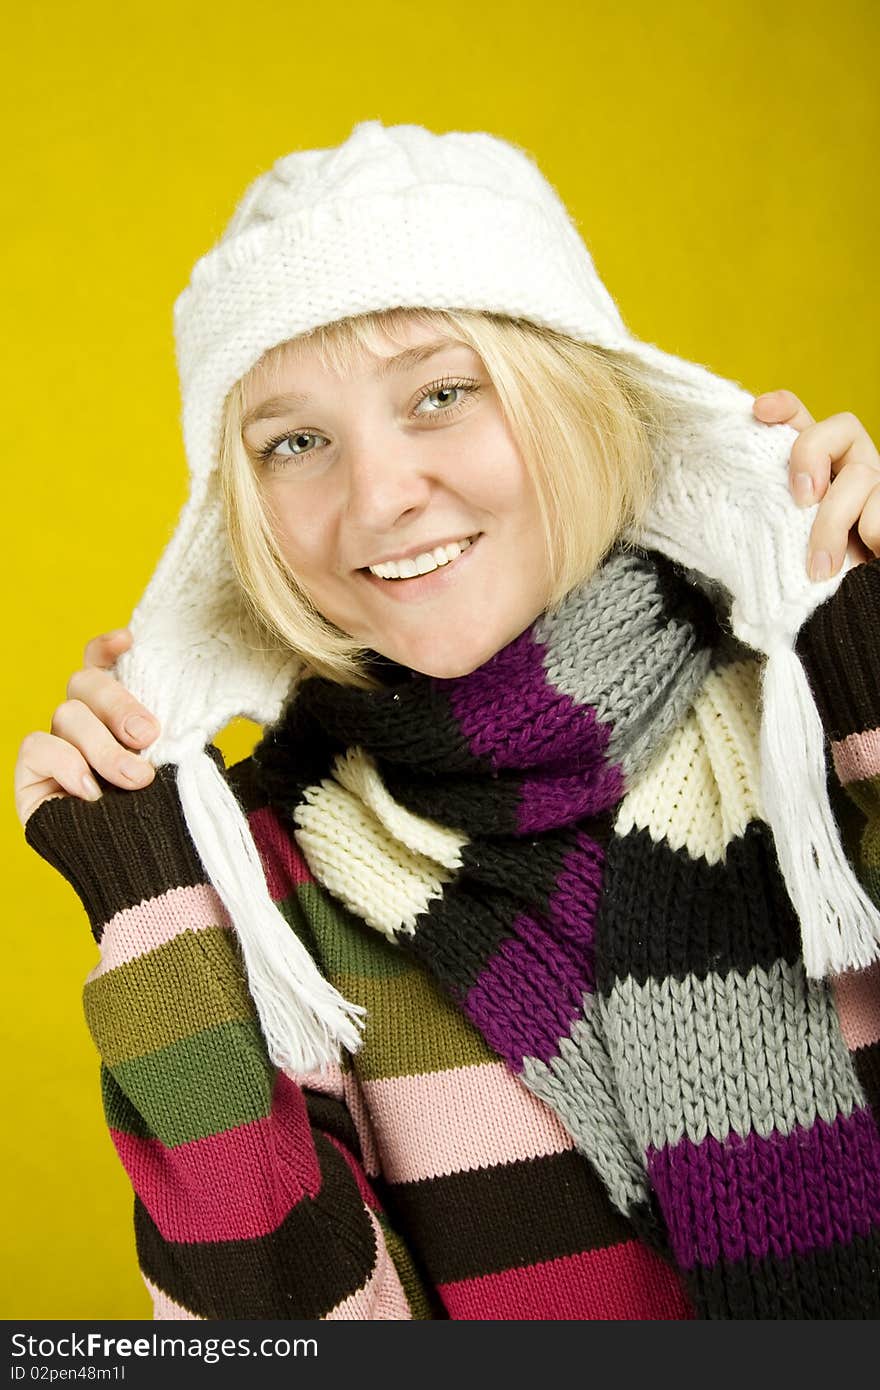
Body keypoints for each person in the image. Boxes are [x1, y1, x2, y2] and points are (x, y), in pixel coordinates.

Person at [14, 120, 880, 1321]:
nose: (376, 497)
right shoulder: (262, 888)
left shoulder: (824, 720)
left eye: (440, 392)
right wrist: (150, 903)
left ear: (573, 394)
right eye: (295, 441)